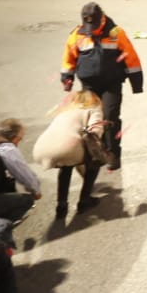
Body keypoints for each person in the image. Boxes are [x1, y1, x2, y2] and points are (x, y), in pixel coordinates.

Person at [59, 1, 143, 171]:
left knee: (109, 117)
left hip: (111, 84)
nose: (93, 30)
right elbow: (69, 59)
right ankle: (95, 152)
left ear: (102, 19)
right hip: (88, 85)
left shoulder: (116, 33)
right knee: (91, 119)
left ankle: (112, 152)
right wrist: (67, 78)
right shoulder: (77, 35)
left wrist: (136, 84)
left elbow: (131, 58)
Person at [32, 89, 107, 220]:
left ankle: (61, 206)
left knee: (66, 166)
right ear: (94, 99)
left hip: (41, 148)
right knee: (93, 163)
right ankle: (84, 200)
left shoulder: (64, 111)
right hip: (68, 147)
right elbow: (96, 130)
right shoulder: (93, 109)